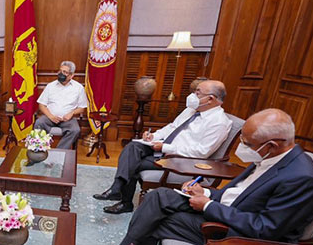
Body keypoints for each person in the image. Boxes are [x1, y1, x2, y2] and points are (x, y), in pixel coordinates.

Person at [80, 109, 313, 245]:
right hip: (226, 211)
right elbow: (237, 193)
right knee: (157, 196)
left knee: (154, 218)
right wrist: (206, 193)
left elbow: (265, 229)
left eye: (247, 144)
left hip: (239, 236)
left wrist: (208, 206)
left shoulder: (301, 178)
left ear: (272, 145)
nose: (241, 147)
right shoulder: (272, 159)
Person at [94, 80, 232, 214]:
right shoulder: (192, 110)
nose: (192, 96)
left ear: (210, 99)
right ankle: (117, 189)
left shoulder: (218, 123)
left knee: (133, 164)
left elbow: (201, 152)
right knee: (133, 146)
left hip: (181, 160)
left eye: (197, 93)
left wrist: (165, 147)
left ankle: (124, 201)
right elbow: (172, 127)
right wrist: (153, 136)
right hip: (165, 149)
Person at [33, 60, 88, 149]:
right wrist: (51, 116)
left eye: (65, 72)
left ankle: (59, 151)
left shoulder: (78, 88)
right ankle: (39, 150)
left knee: (75, 130)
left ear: (71, 75)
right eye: (60, 71)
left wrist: (72, 113)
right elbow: (41, 105)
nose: (61, 73)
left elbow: (82, 108)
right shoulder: (50, 86)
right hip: (49, 117)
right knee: (39, 123)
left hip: (67, 119)